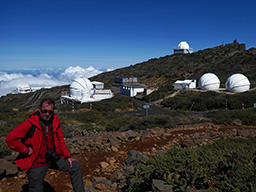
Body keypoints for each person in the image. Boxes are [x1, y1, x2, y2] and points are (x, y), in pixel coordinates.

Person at [6, 97, 85, 192]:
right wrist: (25, 150)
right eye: (44, 111)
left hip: (53, 158)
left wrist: (67, 156)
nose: (47, 114)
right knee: (36, 189)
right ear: (39, 109)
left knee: (75, 166)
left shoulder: (55, 121)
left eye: (50, 112)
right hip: (37, 162)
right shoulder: (31, 122)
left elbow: (60, 140)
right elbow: (10, 138)